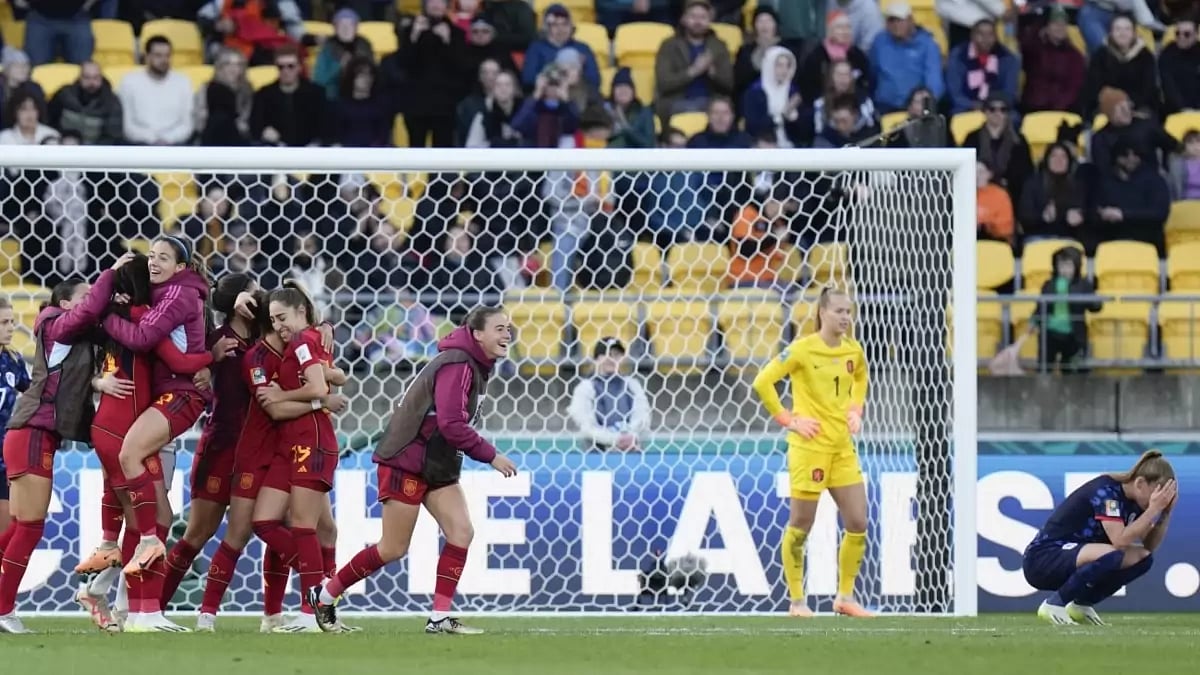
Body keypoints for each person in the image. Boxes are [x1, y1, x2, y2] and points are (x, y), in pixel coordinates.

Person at [308, 306, 518, 635]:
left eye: (509, 328)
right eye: (500, 328)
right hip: (407, 460)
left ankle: (439, 617)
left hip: (435, 462)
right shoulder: (459, 363)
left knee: (461, 532)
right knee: (392, 548)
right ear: (477, 334)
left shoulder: (470, 364)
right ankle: (325, 594)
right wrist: (491, 456)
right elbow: (451, 424)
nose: (507, 334)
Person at [75, 253, 214, 633]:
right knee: (153, 520)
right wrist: (209, 357)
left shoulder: (123, 323)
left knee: (146, 515)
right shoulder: (138, 332)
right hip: (124, 428)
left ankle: (124, 600)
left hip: (123, 424)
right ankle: (141, 610)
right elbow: (174, 357)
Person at [0, 268, 120, 634]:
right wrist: (112, 274)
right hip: (34, 432)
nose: (93, 302)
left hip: (29, 434)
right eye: (86, 295)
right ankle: (4, 610)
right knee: (30, 527)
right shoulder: (55, 324)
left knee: (19, 526)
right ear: (66, 304)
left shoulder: (72, 340)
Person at [750, 286, 872, 618]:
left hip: (842, 448)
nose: (846, 317)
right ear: (822, 313)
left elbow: (861, 378)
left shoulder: (853, 351)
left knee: (858, 521)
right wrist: (788, 419)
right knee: (802, 523)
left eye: (849, 311)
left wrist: (855, 410)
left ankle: (845, 597)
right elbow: (762, 381)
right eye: (839, 311)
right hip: (809, 449)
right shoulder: (802, 350)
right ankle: (797, 601)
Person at [158, 274, 256, 617]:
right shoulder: (216, 342)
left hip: (258, 452)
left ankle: (213, 613)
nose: (257, 296)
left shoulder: (266, 338)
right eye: (251, 291)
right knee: (197, 534)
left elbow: (296, 308)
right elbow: (187, 377)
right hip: (221, 447)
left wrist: (327, 325)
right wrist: (209, 360)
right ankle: (154, 607)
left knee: (254, 531)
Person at [251, 286, 347, 632]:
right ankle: (324, 589)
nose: (278, 325)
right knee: (266, 522)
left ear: (301, 312)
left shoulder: (304, 340)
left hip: (313, 441)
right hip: (292, 444)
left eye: (282, 317)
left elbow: (319, 388)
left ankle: (312, 613)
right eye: (273, 319)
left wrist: (283, 394)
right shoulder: (306, 342)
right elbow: (329, 383)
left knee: (305, 526)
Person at [1023, 450, 1176, 625]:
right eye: (1157, 494)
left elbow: (1149, 545)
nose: (1158, 501)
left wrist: (1164, 514)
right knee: (1113, 552)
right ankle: (1054, 605)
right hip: (1043, 559)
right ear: (1140, 483)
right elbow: (1120, 540)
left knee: (1143, 558)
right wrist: (1153, 510)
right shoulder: (1107, 492)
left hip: (1077, 558)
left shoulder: (1138, 504)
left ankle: (1081, 604)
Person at [567, 338, 651, 452]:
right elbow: (586, 426)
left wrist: (631, 436)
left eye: (616, 355)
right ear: (597, 359)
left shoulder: (632, 385)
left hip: (631, 449)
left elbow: (643, 417)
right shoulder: (585, 388)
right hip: (596, 452)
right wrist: (615, 439)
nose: (611, 359)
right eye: (606, 354)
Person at [0, 295, 31, 552]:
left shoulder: (13, 361)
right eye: (3, 322)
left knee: (8, 531)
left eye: (11, 321)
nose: (10, 327)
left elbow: (33, 395)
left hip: (3, 460)